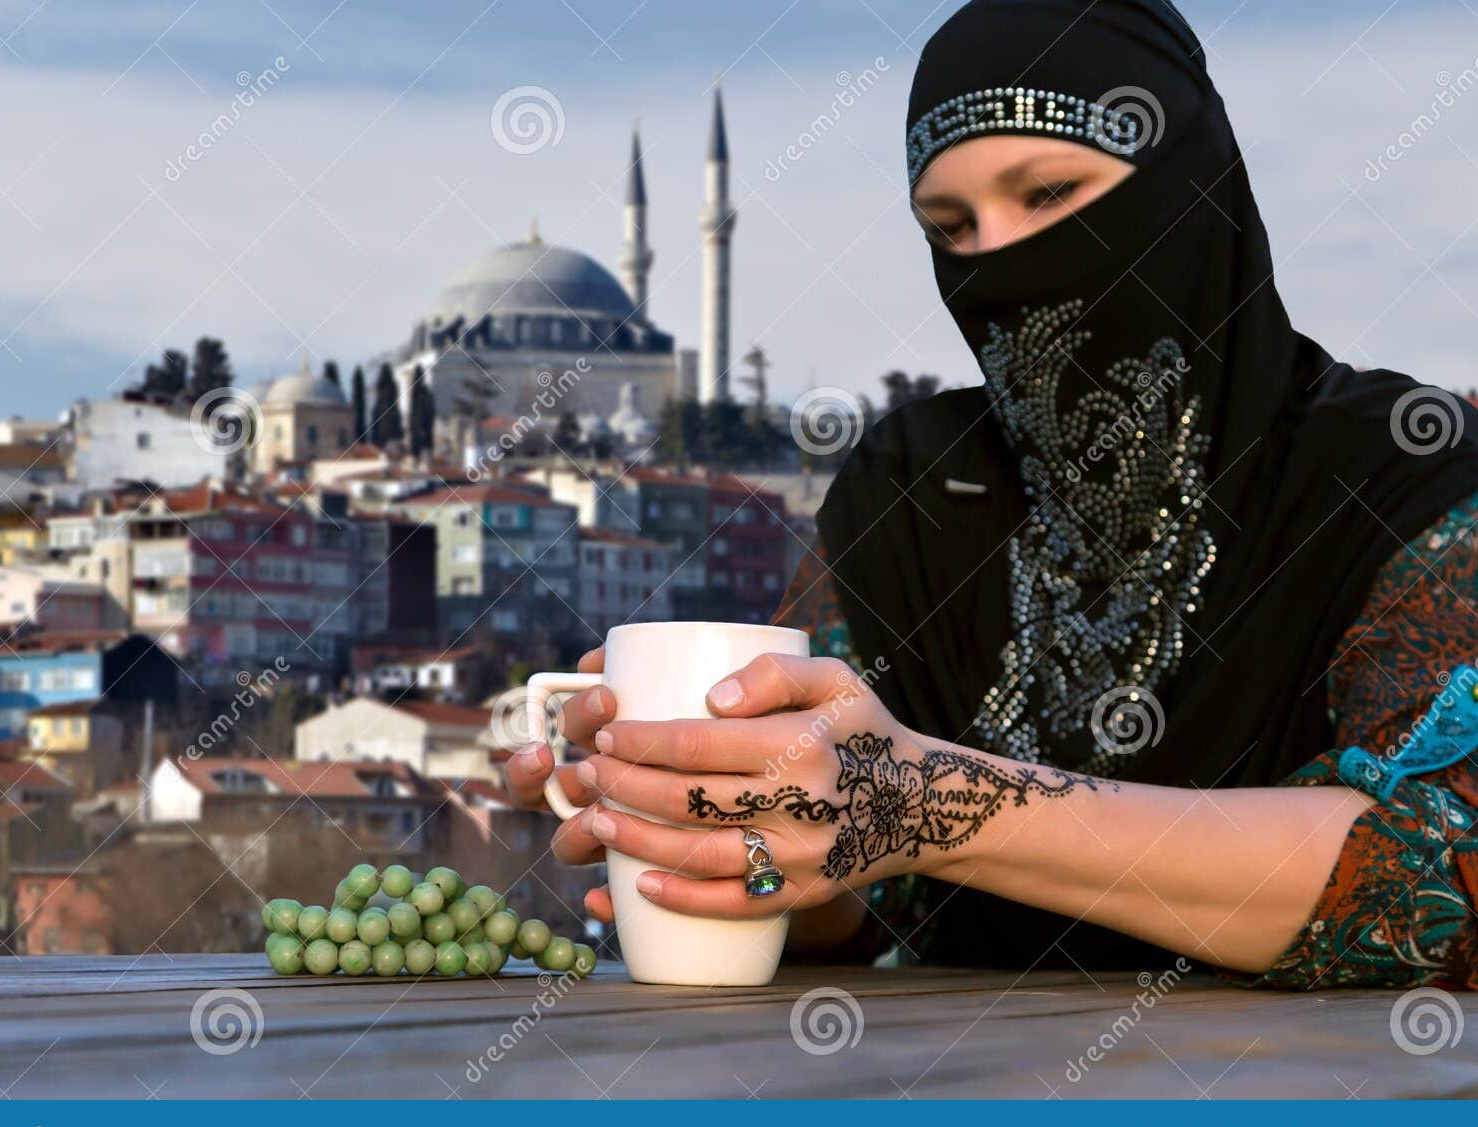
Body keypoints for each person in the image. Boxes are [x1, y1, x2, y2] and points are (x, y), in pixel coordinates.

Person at [505, 0, 1478, 989]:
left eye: (1049, 193)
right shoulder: (914, 493)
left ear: (1189, 187)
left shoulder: (1397, 474)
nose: (997, 260)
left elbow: (1434, 870)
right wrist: (726, 831)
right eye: (951, 224)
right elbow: (851, 891)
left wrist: (935, 806)